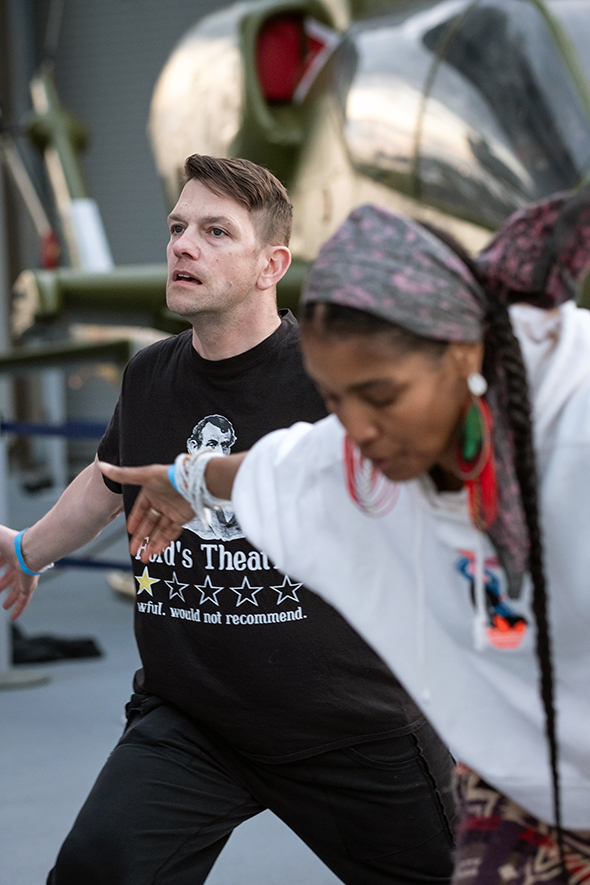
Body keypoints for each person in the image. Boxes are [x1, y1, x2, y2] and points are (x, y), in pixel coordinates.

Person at [98, 189, 590, 885]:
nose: (357, 428)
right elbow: (281, 465)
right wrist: (188, 478)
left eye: (381, 396)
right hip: (527, 781)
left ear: (460, 355)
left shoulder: (574, 443)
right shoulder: (355, 456)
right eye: (336, 399)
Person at [0, 155, 456, 885]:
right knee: (95, 871)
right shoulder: (149, 374)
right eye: (178, 227)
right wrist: (27, 549)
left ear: (271, 263)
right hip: (194, 719)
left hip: (348, 727)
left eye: (216, 231)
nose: (183, 245)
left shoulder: (332, 375)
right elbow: (109, 475)